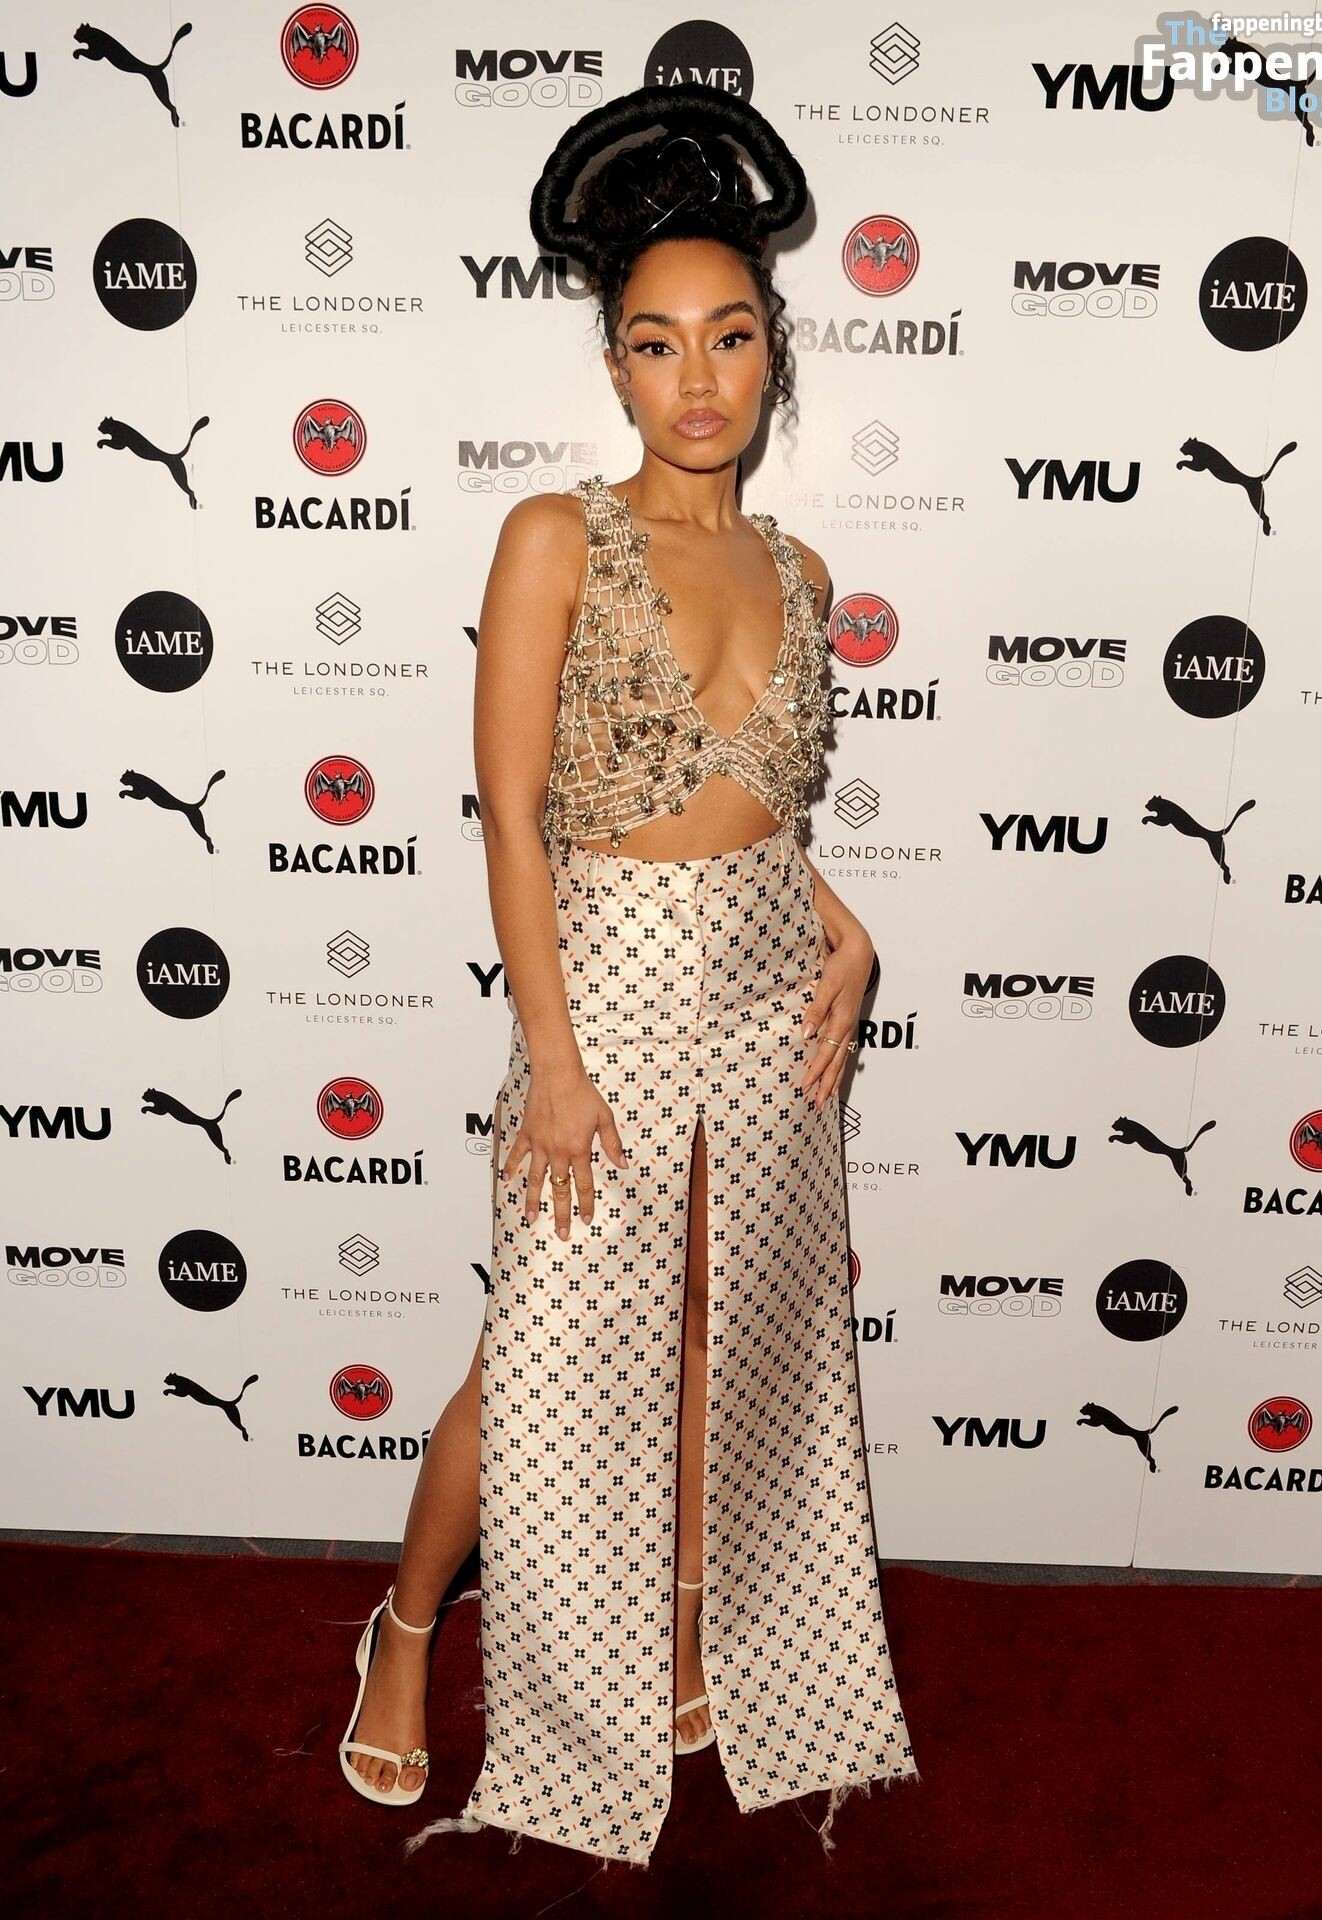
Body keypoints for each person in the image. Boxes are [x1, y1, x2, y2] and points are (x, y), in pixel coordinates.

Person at [337, 81, 919, 1869]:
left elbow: (754, 809)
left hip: (767, 1004)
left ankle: (683, 1638)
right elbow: (517, 819)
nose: (697, 377)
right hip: (599, 999)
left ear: (772, 352)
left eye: (729, 335)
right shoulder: (554, 538)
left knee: (714, 1344)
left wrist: (845, 924)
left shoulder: (799, 567)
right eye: (656, 343)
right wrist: (556, 1058)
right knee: (539, 1359)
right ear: (613, 366)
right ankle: (407, 1632)